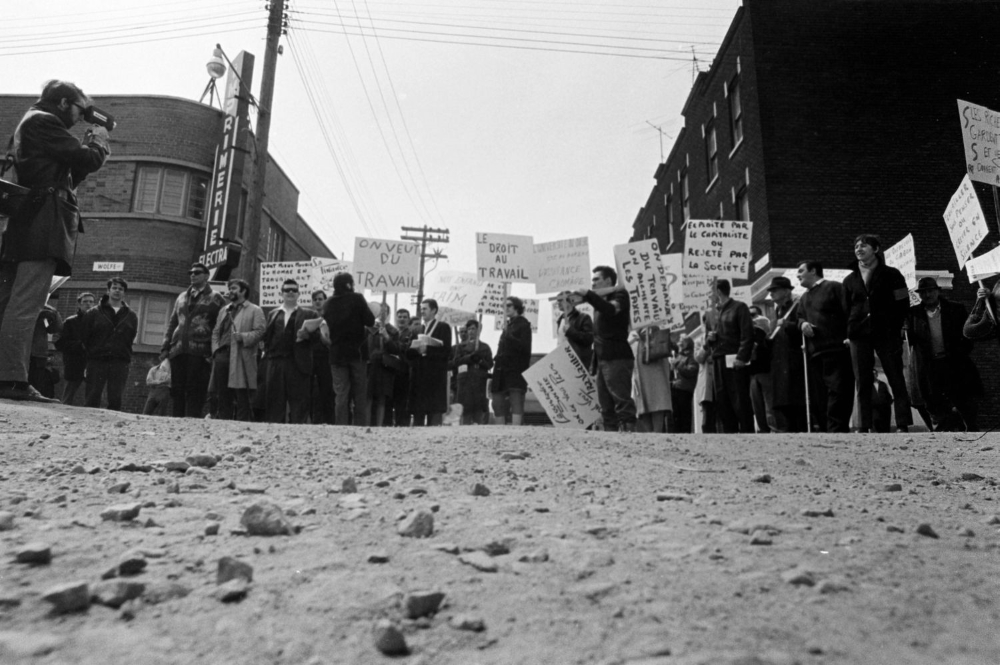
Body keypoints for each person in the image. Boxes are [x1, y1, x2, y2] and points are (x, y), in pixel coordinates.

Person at [0, 80, 109, 402]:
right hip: (42, 224)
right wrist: (100, 142)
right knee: (25, 304)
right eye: (79, 109)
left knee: (8, 303)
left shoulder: (30, 125)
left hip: (25, 222)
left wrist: (85, 151)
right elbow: (86, 160)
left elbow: (71, 174)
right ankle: (12, 380)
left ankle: (8, 377)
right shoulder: (43, 121)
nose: (80, 117)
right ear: (62, 103)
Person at [843, 234, 912, 433]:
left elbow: (903, 301)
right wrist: (848, 331)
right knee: (862, 380)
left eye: (863, 245)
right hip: (858, 334)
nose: (858, 249)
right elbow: (845, 308)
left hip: (887, 332)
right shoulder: (850, 279)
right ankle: (863, 425)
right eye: (856, 246)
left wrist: (897, 326)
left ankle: (902, 424)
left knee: (895, 376)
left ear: (876, 249)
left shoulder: (893, 274)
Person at [908, 277, 981, 431]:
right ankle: (943, 436)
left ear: (938, 291)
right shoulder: (913, 314)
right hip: (929, 367)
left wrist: (960, 354)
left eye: (930, 291)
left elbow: (968, 334)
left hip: (953, 363)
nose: (927, 295)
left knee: (963, 399)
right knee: (933, 403)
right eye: (923, 292)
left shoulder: (955, 309)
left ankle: (971, 430)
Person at [161, 262, 226, 418]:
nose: (193, 275)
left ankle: (192, 422)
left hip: (201, 352)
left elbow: (222, 325)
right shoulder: (181, 297)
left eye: (197, 272)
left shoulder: (216, 298)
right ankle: (177, 421)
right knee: (177, 389)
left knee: (196, 389)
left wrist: (215, 350)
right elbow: (172, 322)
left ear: (206, 276)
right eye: (191, 272)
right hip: (178, 350)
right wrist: (165, 347)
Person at [796, 260, 855, 433]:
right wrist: (802, 324)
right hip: (816, 353)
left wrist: (849, 336)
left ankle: (837, 430)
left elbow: (849, 312)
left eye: (801, 270)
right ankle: (826, 431)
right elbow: (799, 317)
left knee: (838, 391)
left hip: (837, 349)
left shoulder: (834, 288)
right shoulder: (804, 298)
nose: (798, 275)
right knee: (819, 395)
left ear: (813, 271)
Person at [576, 266, 636, 433]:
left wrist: (588, 295)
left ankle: (629, 435)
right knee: (605, 404)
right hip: (602, 358)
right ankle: (611, 438)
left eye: (597, 279)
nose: (593, 283)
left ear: (609, 280)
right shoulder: (598, 301)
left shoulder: (621, 295)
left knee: (621, 399)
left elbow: (610, 309)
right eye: (592, 280)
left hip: (617, 356)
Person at [262, 279, 322, 423]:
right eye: (287, 290)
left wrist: (307, 335)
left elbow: (317, 338)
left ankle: (298, 435)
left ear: (298, 294)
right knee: (275, 402)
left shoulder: (309, 314)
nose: (290, 292)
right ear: (281, 293)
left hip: (298, 364)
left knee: (299, 404)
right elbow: (268, 338)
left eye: (294, 290)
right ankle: (275, 433)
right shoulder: (273, 313)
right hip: (276, 362)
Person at [323, 273, 375, 426]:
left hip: (337, 354)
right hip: (357, 353)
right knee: (359, 393)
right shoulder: (357, 298)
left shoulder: (328, 303)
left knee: (341, 394)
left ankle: (341, 427)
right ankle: (359, 427)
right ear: (348, 285)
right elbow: (370, 320)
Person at [210, 278, 265, 421]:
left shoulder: (255, 310)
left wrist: (244, 336)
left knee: (242, 393)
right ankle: (223, 422)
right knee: (222, 393)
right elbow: (216, 332)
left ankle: (241, 425)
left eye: (234, 288)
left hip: (242, 355)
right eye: (230, 288)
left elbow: (260, 331)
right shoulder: (224, 310)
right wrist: (216, 350)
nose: (230, 291)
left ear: (243, 291)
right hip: (222, 356)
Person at [704, 279, 755, 433]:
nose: (708, 296)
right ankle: (730, 435)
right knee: (723, 400)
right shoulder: (711, 314)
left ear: (718, 292)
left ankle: (747, 433)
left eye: (710, 292)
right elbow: (708, 342)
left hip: (734, 359)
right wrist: (710, 339)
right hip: (718, 361)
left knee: (739, 398)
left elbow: (747, 334)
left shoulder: (739, 308)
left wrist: (742, 357)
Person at [81, 277, 138, 410]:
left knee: (115, 397)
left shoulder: (131, 316)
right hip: (97, 360)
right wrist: (92, 353)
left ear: (124, 293)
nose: (117, 291)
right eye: (114, 288)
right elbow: (85, 337)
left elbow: (131, 336)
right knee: (92, 396)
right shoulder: (93, 313)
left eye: (121, 289)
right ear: (108, 291)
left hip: (120, 360)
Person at [766, 276, 808, 432]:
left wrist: (788, 325)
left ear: (785, 291)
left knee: (795, 401)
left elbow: (802, 327)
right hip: (779, 361)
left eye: (774, 291)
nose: (771, 294)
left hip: (793, 360)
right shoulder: (777, 311)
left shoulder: (797, 306)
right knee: (783, 402)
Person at [406, 298, 452, 426]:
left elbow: (447, 351)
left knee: (434, 413)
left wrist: (428, 349)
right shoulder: (417, 329)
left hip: (434, 376)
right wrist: (415, 349)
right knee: (418, 414)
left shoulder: (443, 327)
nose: (422, 311)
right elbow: (408, 352)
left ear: (434, 310)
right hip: (419, 375)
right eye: (421, 309)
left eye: (425, 309)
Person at [491, 296, 532, 426]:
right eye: (504, 306)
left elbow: (525, 348)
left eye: (508, 305)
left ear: (517, 308)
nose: (505, 308)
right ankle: (500, 428)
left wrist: (510, 337)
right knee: (497, 402)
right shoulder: (508, 325)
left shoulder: (523, 324)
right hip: (501, 369)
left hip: (514, 370)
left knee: (516, 399)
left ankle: (516, 429)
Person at [630, 326, 673, 433]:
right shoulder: (633, 336)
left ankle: (657, 433)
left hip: (656, 370)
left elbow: (665, 344)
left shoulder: (657, 331)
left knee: (657, 399)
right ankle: (650, 435)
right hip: (639, 371)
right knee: (642, 404)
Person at [55, 291, 95, 405]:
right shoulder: (70, 322)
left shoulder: (98, 321)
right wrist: (79, 345)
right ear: (79, 304)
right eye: (85, 302)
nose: (88, 304)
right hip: (74, 361)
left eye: (91, 302)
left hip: (92, 361)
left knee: (92, 394)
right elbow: (60, 343)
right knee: (69, 393)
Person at [451, 319, 493, 425]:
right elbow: (456, 361)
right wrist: (470, 357)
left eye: (473, 329)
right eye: (469, 329)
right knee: (466, 410)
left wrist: (480, 360)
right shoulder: (460, 347)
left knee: (479, 411)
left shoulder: (484, 347)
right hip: (465, 381)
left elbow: (490, 364)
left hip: (479, 381)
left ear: (478, 330)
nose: (471, 331)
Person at [367, 302, 400, 427]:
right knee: (367, 396)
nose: (382, 314)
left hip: (384, 367)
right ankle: (366, 424)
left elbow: (396, 349)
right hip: (370, 366)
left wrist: (387, 337)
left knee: (382, 398)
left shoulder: (393, 331)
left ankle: (379, 426)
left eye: (385, 311)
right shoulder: (369, 328)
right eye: (380, 311)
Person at [308, 289, 335, 424]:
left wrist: (321, 335)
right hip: (310, 358)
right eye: (315, 299)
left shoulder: (331, 318)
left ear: (325, 301)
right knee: (310, 392)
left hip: (326, 359)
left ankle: (329, 421)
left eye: (320, 299)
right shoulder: (307, 318)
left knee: (327, 391)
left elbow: (330, 342)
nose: (318, 301)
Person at [28, 302, 63, 399]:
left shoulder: (47, 310)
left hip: (38, 352)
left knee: (37, 382)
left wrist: (55, 315)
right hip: (21, 351)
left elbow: (54, 329)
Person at [387, 308, 414, 426]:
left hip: (403, 371)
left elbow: (404, 349)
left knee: (402, 402)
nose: (402, 319)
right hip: (390, 371)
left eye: (404, 317)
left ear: (408, 319)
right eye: (399, 317)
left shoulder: (411, 334)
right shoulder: (392, 332)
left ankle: (402, 426)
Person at [747, 314, 774, 433]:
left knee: (768, 405)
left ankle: (773, 429)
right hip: (753, 373)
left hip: (765, 372)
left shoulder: (762, 333)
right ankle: (764, 429)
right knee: (758, 406)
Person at [556, 290, 594, 369]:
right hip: (562, 360)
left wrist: (570, 331)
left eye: (561, 300)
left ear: (571, 301)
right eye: (558, 300)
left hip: (578, 362)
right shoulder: (560, 319)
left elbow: (589, 339)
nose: (558, 303)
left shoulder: (584, 318)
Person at [669, 336, 699, 433]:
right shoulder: (678, 356)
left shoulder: (691, 357)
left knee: (684, 413)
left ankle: (685, 433)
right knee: (676, 414)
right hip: (676, 387)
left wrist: (678, 365)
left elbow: (691, 371)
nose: (679, 344)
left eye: (682, 343)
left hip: (685, 389)